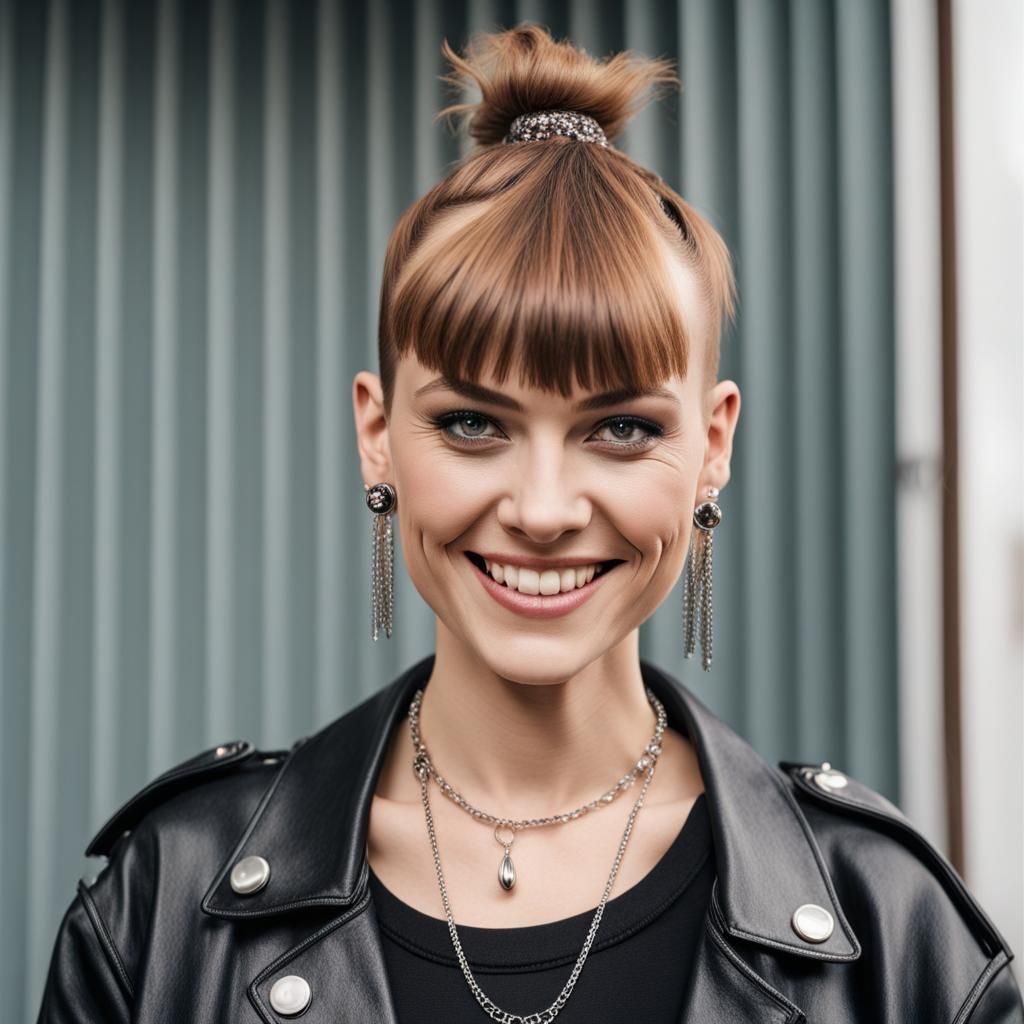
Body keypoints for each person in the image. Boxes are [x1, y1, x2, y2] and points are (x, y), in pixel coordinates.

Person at [37, 23, 1022, 1024]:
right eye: (472, 423)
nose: (544, 509)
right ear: (377, 432)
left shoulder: (891, 926)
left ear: (714, 445)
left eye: (622, 428)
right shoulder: (163, 905)